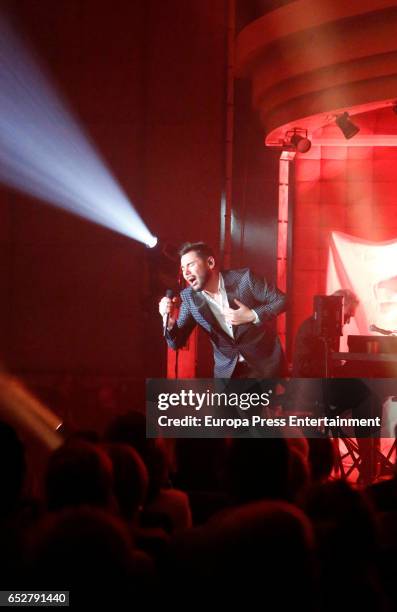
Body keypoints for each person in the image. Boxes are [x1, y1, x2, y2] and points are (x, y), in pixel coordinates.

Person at [159, 242, 286, 378]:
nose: (186, 272)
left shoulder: (245, 279)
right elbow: (176, 343)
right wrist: (170, 324)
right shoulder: (189, 298)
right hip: (228, 372)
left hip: (264, 366)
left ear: (210, 262)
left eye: (190, 265)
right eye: (183, 268)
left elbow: (282, 300)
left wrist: (252, 315)